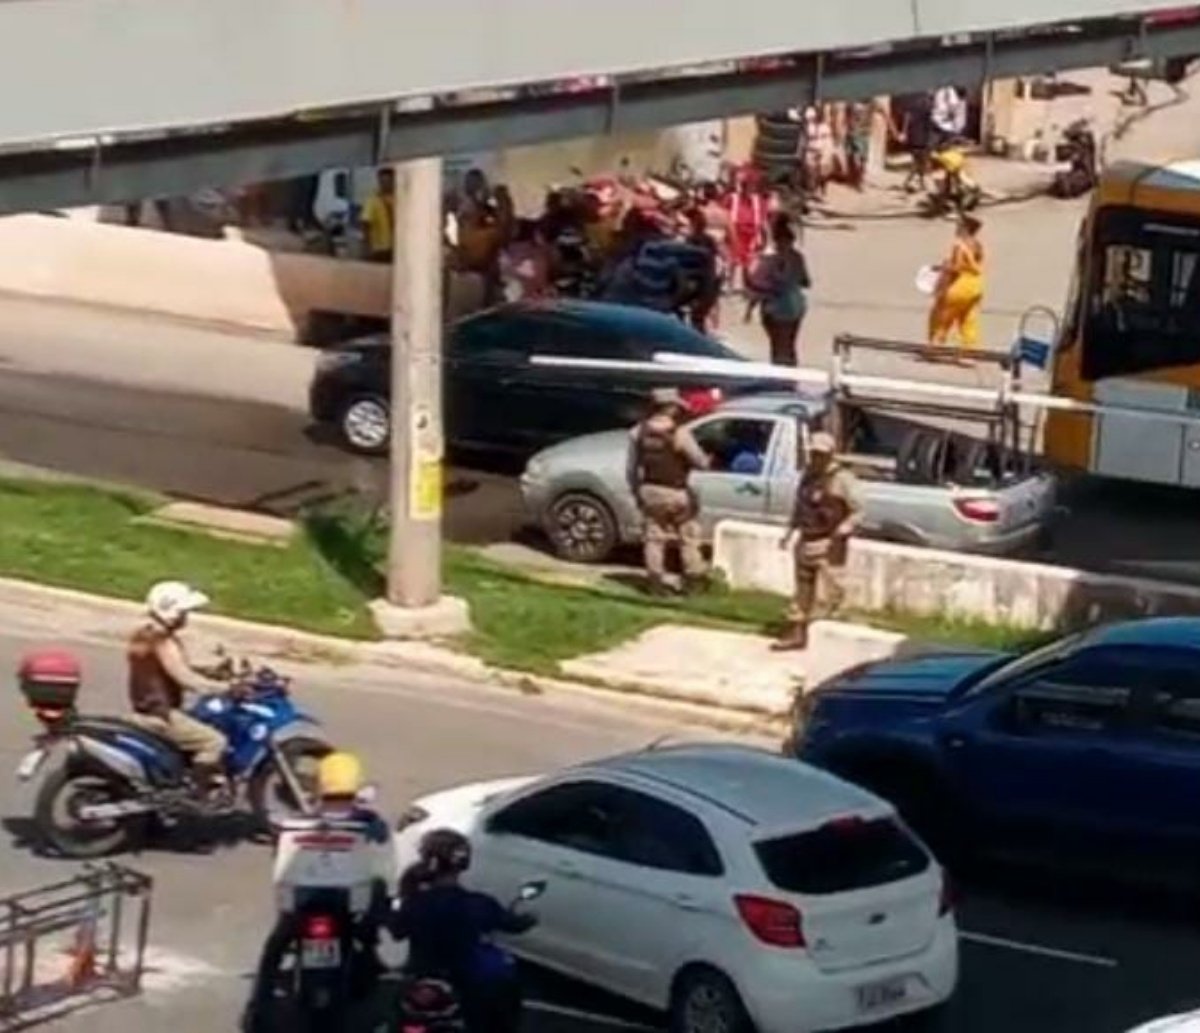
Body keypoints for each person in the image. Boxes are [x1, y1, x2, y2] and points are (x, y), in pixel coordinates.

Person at [244, 752, 396, 1033]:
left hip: (302, 905)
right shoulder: (367, 822)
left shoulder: (300, 820)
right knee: (369, 929)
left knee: (275, 950)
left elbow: (280, 856)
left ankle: (259, 1007)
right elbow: (383, 853)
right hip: (347, 905)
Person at [391, 828, 535, 1033]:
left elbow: (397, 931)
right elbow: (514, 925)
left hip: (421, 977)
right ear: (463, 863)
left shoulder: (414, 901)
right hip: (466, 983)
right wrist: (527, 919)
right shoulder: (479, 904)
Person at [126, 581, 229, 789]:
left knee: (200, 719)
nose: (186, 617)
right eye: (184, 612)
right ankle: (196, 794)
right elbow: (186, 679)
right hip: (160, 715)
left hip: (146, 709)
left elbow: (172, 668)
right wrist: (226, 688)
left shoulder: (144, 634)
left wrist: (214, 672)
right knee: (214, 741)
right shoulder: (162, 640)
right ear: (171, 612)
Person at [774, 431, 863, 652]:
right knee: (801, 592)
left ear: (831, 454)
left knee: (829, 594)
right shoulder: (808, 476)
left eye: (821, 454)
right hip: (806, 539)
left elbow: (859, 510)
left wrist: (846, 528)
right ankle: (796, 634)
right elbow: (799, 507)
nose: (816, 458)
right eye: (813, 453)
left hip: (829, 543)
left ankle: (827, 640)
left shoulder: (843, 479)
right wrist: (788, 532)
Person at [626, 388, 711, 596]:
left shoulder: (638, 432)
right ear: (670, 407)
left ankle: (655, 583)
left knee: (654, 538)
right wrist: (708, 460)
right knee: (688, 536)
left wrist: (637, 493)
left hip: (650, 490)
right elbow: (700, 462)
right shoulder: (679, 433)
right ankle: (693, 580)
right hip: (676, 492)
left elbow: (631, 469)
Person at [748, 215, 811, 367]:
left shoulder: (769, 260)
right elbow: (806, 282)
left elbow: (758, 285)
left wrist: (750, 307)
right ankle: (791, 375)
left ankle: (782, 378)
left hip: (775, 307)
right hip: (795, 305)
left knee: (777, 346)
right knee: (789, 344)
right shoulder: (797, 258)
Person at [928, 215, 985, 354]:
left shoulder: (959, 245)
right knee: (967, 319)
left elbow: (957, 267)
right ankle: (970, 352)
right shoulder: (978, 245)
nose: (956, 228)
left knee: (941, 316)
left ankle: (935, 347)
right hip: (976, 285)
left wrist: (940, 268)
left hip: (960, 285)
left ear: (965, 228)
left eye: (959, 225)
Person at [726, 166, 767, 291]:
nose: (750, 189)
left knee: (748, 261)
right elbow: (725, 213)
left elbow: (763, 220)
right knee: (733, 260)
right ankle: (730, 284)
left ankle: (746, 285)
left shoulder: (758, 201)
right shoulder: (733, 198)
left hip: (751, 235)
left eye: (752, 186)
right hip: (736, 233)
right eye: (747, 186)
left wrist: (765, 238)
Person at [362, 167, 395, 263]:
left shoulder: (399, 198)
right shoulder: (372, 200)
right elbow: (366, 223)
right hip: (380, 248)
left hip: (397, 246)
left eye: (388, 181)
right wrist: (367, 246)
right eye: (383, 181)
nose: (385, 184)